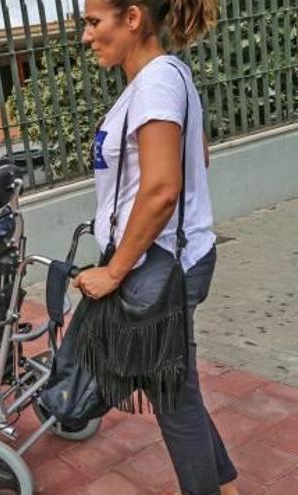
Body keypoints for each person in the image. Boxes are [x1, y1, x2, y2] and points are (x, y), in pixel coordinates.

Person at [75, 0, 237, 493]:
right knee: (173, 387)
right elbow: (197, 156)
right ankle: (225, 485)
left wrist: (115, 270)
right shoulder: (162, 79)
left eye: (93, 22)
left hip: (158, 268)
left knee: (173, 395)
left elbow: (164, 188)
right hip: (162, 262)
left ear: (132, 18)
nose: (85, 36)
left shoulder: (156, 82)